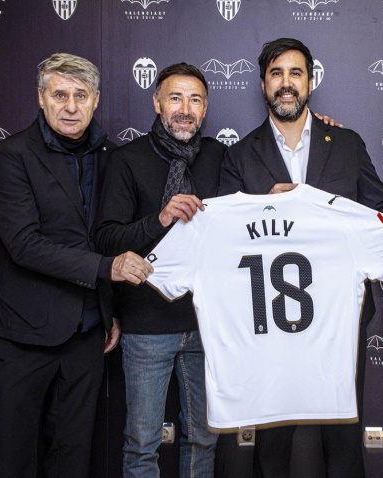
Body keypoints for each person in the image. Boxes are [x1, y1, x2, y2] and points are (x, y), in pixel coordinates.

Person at [218, 37, 383, 478]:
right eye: (276, 73)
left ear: (310, 82)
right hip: (268, 317)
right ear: (262, 82)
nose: (286, 84)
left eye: (296, 73)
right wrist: (262, 203)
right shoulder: (239, 155)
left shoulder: (346, 143)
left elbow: (378, 212)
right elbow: (224, 236)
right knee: (272, 440)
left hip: (339, 316)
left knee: (343, 435)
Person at [0, 53, 152, 478]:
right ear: (41, 99)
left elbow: (106, 232)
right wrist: (106, 270)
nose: (70, 106)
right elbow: (23, 244)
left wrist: (107, 308)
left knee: (74, 457)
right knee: (13, 458)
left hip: (86, 332)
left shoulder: (111, 155)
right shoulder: (12, 155)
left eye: (80, 96)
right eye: (59, 94)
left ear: (95, 100)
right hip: (23, 332)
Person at [93, 63, 224, 478]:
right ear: (156, 102)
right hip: (147, 325)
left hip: (206, 324)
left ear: (205, 109)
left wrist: (319, 125)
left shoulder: (223, 158)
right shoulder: (126, 160)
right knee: (142, 442)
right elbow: (106, 239)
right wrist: (160, 219)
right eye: (175, 97)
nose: (185, 109)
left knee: (203, 439)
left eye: (195, 99)